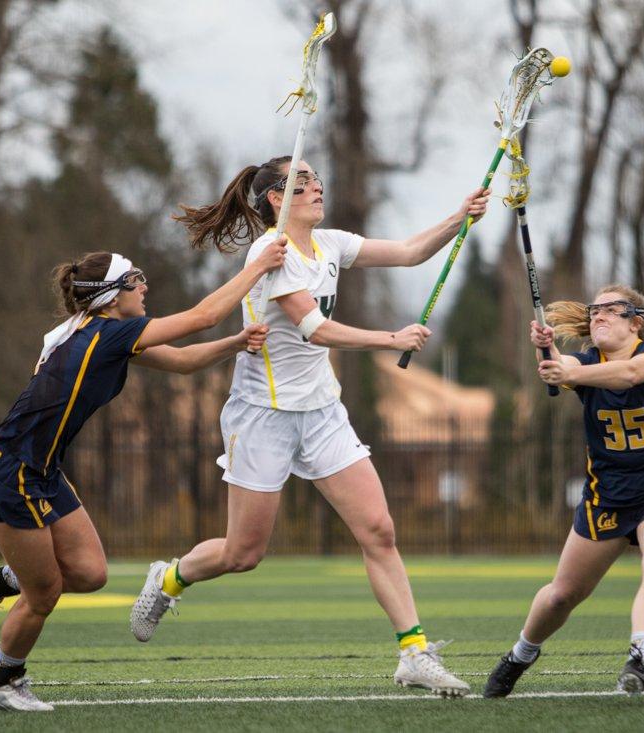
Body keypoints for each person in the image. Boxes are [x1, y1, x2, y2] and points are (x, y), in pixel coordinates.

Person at [128, 155, 490, 698]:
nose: (318, 187)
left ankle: (414, 652)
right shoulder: (266, 253)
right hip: (263, 415)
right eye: (303, 182)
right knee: (242, 554)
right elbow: (314, 329)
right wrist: (388, 340)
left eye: (319, 178)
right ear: (276, 198)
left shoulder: (332, 244)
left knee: (379, 531)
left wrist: (459, 217)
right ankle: (170, 577)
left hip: (322, 412)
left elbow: (412, 253)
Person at [0, 241, 287, 711]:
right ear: (112, 293)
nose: (145, 287)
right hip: (11, 470)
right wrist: (260, 266)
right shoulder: (107, 336)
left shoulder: (102, 334)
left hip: (42, 469)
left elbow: (185, 362)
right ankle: (3, 682)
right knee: (43, 594)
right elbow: (205, 314)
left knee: (89, 573)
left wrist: (236, 343)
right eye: (137, 280)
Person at [483, 284, 644, 698]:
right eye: (595, 310)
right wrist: (546, 351)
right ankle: (520, 655)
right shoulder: (586, 362)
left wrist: (570, 373)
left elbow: (629, 376)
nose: (598, 315)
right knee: (561, 596)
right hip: (607, 497)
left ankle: (639, 657)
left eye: (611, 309)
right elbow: (562, 365)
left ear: (635, 321)